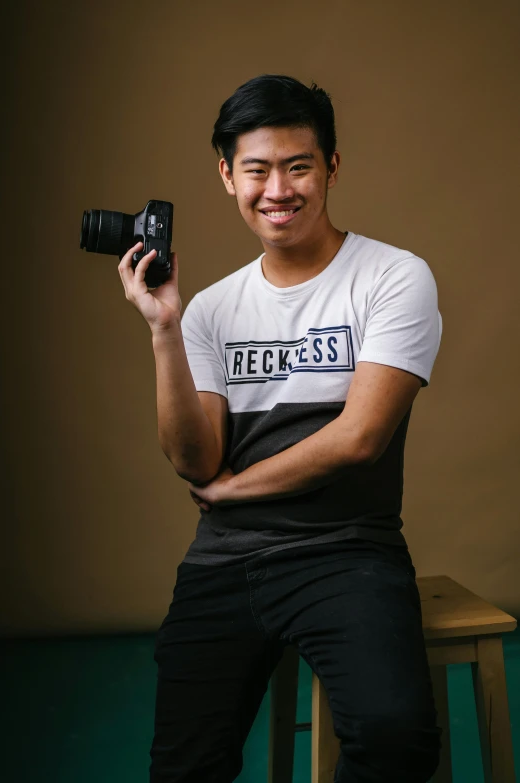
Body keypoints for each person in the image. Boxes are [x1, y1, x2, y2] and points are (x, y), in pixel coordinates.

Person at [118, 74, 443, 783]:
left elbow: (359, 437)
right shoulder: (208, 309)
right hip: (224, 561)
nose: (278, 189)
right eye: (258, 169)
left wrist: (233, 491)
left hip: (347, 550)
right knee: (184, 765)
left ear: (331, 166)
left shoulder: (392, 276)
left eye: (298, 166)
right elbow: (193, 457)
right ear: (227, 175)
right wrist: (165, 329)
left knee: (397, 739)